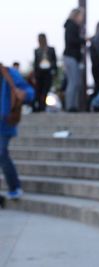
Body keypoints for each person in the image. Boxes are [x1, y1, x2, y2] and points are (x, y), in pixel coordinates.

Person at [0, 64, 35, 199]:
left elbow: (28, 91)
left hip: (5, 121)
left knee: (2, 153)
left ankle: (15, 187)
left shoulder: (8, 73)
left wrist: (24, 94)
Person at [63, 8, 85, 112]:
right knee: (73, 82)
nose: (82, 18)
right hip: (71, 56)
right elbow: (72, 41)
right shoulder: (71, 26)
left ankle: (73, 105)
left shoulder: (72, 26)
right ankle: (70, 106)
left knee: (76, 82)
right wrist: (83, 40)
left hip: (73, 57)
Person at [34, 33, 57, 112]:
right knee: (39, 90)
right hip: (40, 73)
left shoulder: (50, 49)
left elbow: (54, 60)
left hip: (48, 72)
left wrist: (54, 71)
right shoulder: (37, 51)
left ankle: (42, 106)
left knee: (45, 90)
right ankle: (39, 106)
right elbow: (36, 63)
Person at [89, 21, 99, 112]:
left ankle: (95, 104)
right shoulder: (97, 40)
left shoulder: (93, 40)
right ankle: (95, 104)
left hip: (96, 66)